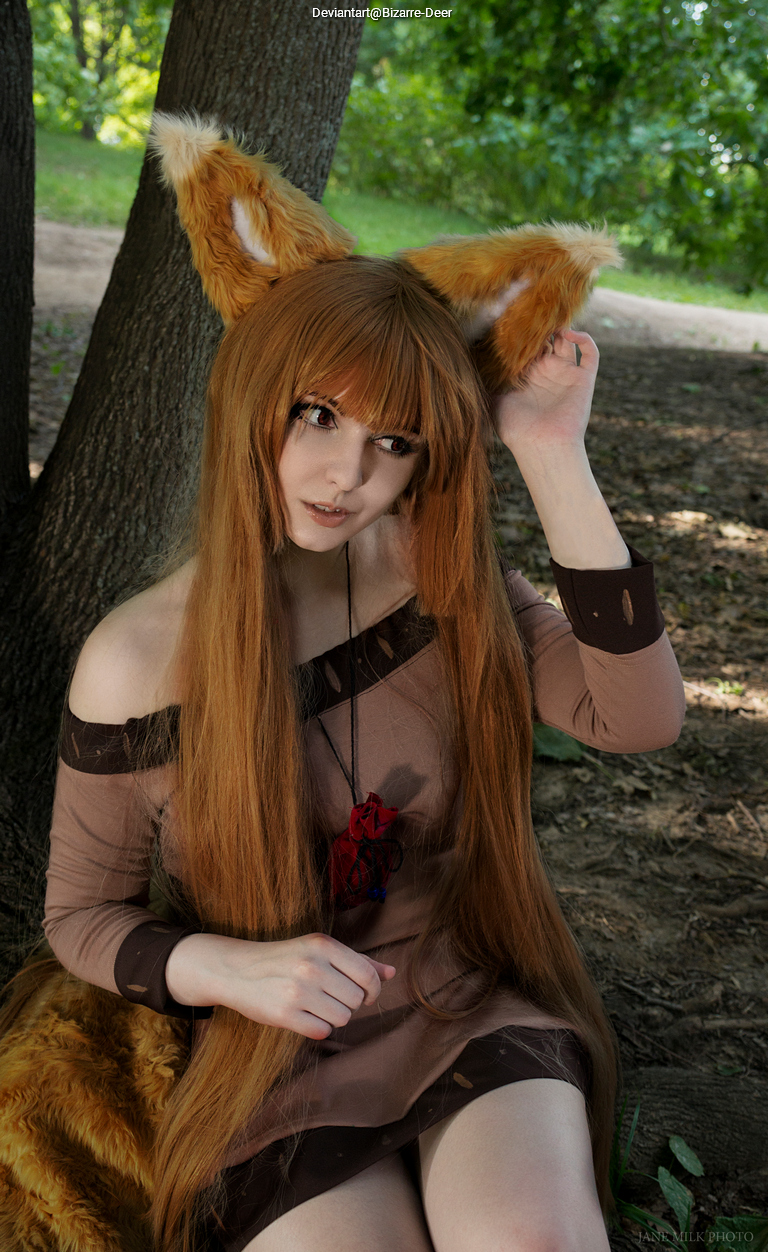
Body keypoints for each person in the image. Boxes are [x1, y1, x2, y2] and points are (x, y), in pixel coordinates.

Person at [42, 113, 686, 1252]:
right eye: (319, 416)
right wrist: (232, 968)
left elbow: (634, 717)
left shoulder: (439, 580)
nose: (347, 473)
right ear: (254, 396)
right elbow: (80, 916)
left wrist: (548, 453)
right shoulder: (135, 658)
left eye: (396, 442)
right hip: (270, 1045)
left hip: (459, 995)